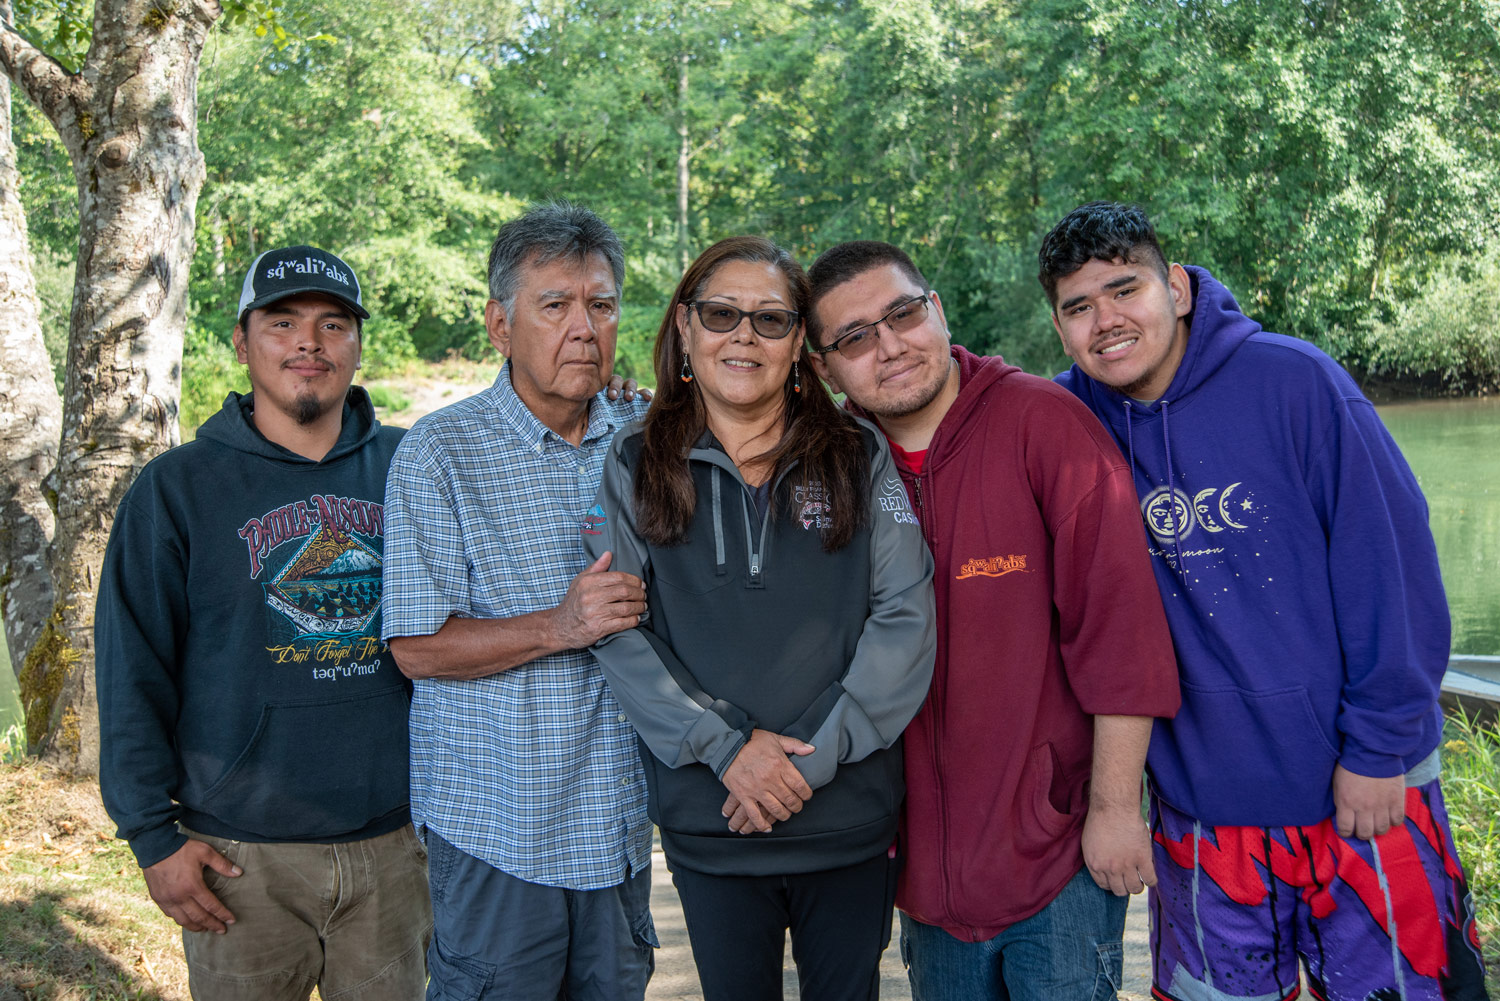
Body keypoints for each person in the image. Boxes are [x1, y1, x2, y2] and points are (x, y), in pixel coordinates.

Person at [1041, 201, 1490, 1001]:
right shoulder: (1068, 422)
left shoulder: (1296, 381)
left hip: (1365, 789)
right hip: (1204, 810)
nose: (1105, 321)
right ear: (1059, 326)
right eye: (1079, 307)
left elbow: (1393, 569)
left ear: (1175, 288)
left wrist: (1380, 748)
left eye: (1124, 289)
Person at [803, 240, 1181, 1001]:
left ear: (936, 309)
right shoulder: (829, 468)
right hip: (922, 874)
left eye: (903, 314)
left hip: (1057, 859)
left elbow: (1122, 635)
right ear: (822, 367)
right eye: (855, 337)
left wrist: (1113, 810)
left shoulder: (1045, 423)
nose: (891, 346)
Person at [586, 235, 936, 1001]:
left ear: (798, 343)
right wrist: (726, 749)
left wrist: (804, 762)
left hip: (847, 820)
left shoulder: (856, 453)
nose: (743, 335)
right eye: (721, 314)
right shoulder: (633, 461)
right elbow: (617, 629)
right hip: (714, 824)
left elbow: (905, 616)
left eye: (770, 319)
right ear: (685, 327)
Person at [95, 246, 430, 1000]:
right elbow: (131, 671)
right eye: (282, 322)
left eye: (332, 323)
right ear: (243, 343)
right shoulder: (175, 489)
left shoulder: (412, 467)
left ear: (356, 344)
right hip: (237, 856)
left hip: (396, 844)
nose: (308, 342)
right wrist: (153, 836)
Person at [381, 203, 656, 1001]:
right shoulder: (440, 451)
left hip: (617, 830)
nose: (583, 328)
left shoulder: (645, 438)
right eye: (555, 305)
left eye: (601, 305)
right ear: (501, 325)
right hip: (501, 833)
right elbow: (416, 647)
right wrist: (559, 625)